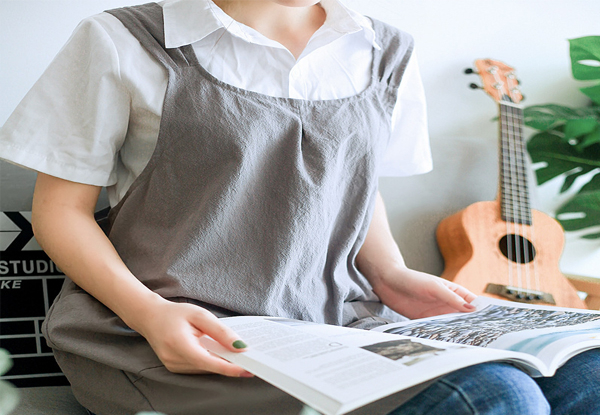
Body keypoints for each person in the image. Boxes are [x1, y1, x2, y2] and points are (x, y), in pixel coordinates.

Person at [0, 1, 598, 414]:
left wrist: (389, 275)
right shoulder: (121, 40)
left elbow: (354, 185)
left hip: (340, 324)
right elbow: (61, 211)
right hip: (174, 334)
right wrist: (151, 314)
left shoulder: (385, 50)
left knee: (587, 376)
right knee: (493, 398)